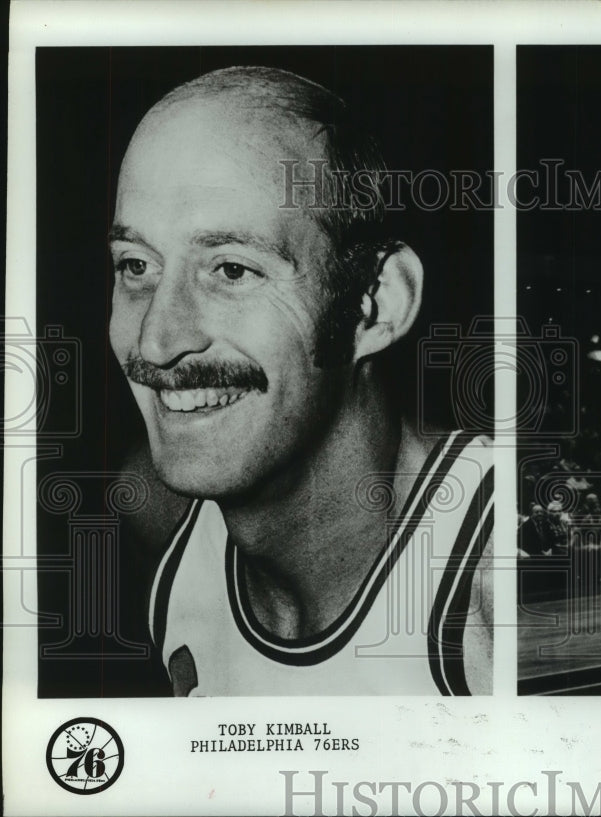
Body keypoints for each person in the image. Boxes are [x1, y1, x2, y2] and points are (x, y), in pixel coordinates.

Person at [110, 66, 492, 696]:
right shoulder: (156, 524)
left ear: (374, 304)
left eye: (231, 269)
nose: (157, 339)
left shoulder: (489, 597)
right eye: (136, 265)